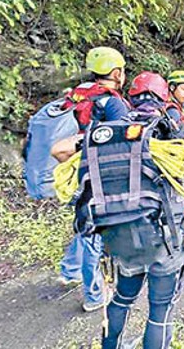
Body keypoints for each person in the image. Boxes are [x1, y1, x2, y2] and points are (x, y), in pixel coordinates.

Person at [56, 71, 184, 349]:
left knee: (121, 298)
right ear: (164, 97)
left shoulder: (111, 131)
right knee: (160, 309)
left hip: (118, 233)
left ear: (130, 97)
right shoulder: (167, 128)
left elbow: (59, 151)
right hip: (162, 235)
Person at [52, 47, 130, 312]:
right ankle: (94, 295)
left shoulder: (78, 93)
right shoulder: (113, 102)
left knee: (83, 222)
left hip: (73, 165)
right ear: (116, 72)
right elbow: (121, 139)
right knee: (93, 231)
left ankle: (69, 270)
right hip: (97, 170)